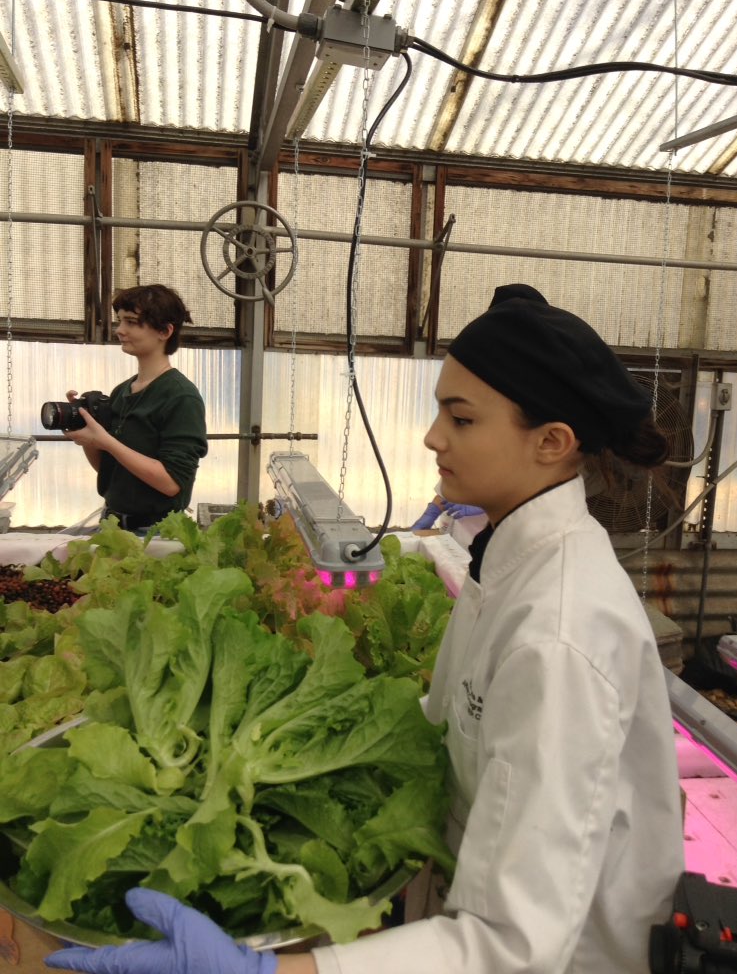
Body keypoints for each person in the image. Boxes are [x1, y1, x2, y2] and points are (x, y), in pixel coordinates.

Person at [46, 284, 685, 974]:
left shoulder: (560, 635)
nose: (432, 436)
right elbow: (441, 730)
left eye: (462, 420)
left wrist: (269, 971)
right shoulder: (507, 557)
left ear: (552, 443)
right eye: (440, 411)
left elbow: (512, 947)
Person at [64, 283, 207, 534]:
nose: (120, 330)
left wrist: (106, 441)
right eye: (119, 321)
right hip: (112, 525)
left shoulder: (180, 396)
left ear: (165, 331)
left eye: (131, 322)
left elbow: (172, 483)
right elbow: (112, 469)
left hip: (157, 533)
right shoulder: (122, 391)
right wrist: (85, 432)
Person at [410, 493, 485, 530]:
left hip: (485, 539)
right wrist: (431, 513)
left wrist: (487, 504)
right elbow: (443, 492)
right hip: (453, 535)